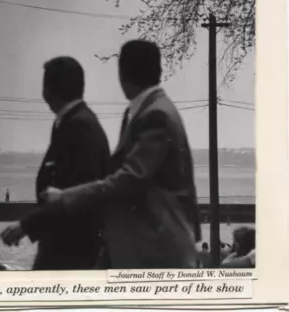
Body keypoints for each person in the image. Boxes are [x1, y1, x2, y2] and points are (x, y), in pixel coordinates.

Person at [43, 40, 201, 269]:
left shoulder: (154, 115)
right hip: (150, 243)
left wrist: (66, 196)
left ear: (123, 74)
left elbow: (130, 178)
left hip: (155, 247)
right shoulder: (151, 110)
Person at [1, 56, 110, 270]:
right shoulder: (73, 122)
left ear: (49, 89)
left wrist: (26, 226)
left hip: (71, 251)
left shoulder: (79, 126)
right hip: (64, 246)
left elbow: (77, 194)